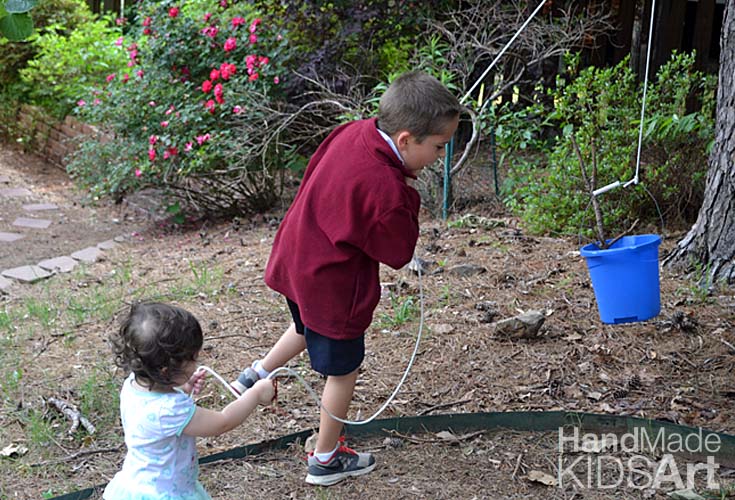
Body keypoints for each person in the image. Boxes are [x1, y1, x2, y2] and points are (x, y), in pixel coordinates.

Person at [231, 71, 461, 486]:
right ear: (406, 139)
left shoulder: (354, 131)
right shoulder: (388, 190)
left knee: (304, 324)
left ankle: (257, 373)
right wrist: (408, 197)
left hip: (297, 257)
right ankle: (325, 458)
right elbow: (396, 253)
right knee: (342, 371)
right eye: (439, 147)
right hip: (333, 285)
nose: (440, 158)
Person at [104, 302, 275, 500]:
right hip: (164, 494)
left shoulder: (133, 383)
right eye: (192, 359)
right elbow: (222, 422)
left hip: (136, 486)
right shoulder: (169, 410)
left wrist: (182, 387)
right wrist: (255, 394)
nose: (197, 363)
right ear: (166, 371)